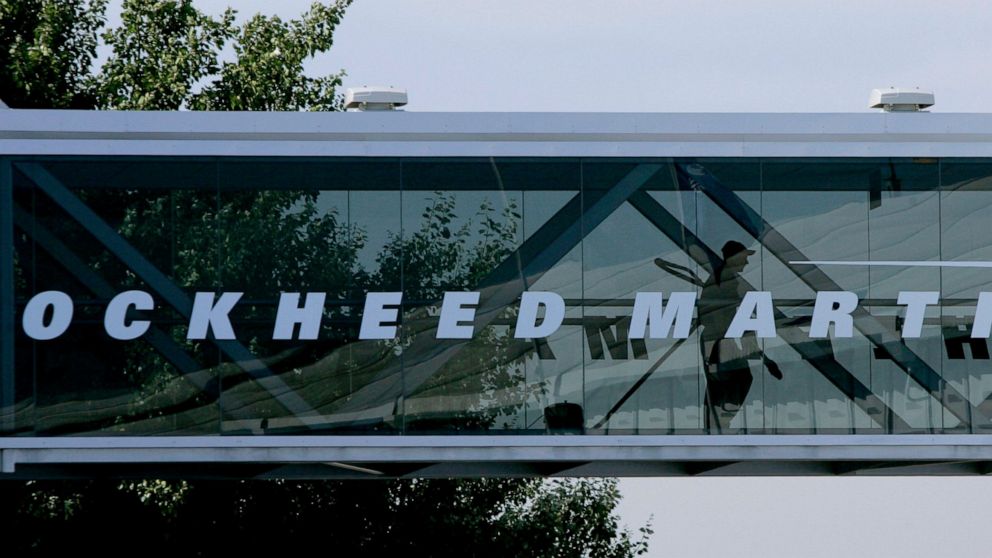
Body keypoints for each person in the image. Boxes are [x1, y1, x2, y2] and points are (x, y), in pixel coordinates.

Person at [656, 240, 782, 433]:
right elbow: (726, 315)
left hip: (720, 339)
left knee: (728, 381)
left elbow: (733, 314)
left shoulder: (726, 279)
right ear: (733, 258)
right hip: (718, 340)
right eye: (744, 257)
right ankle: (718, 423)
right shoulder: (725, 280)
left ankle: (717, 424)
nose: (746, 262)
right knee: (733, 379)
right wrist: (755, 351)